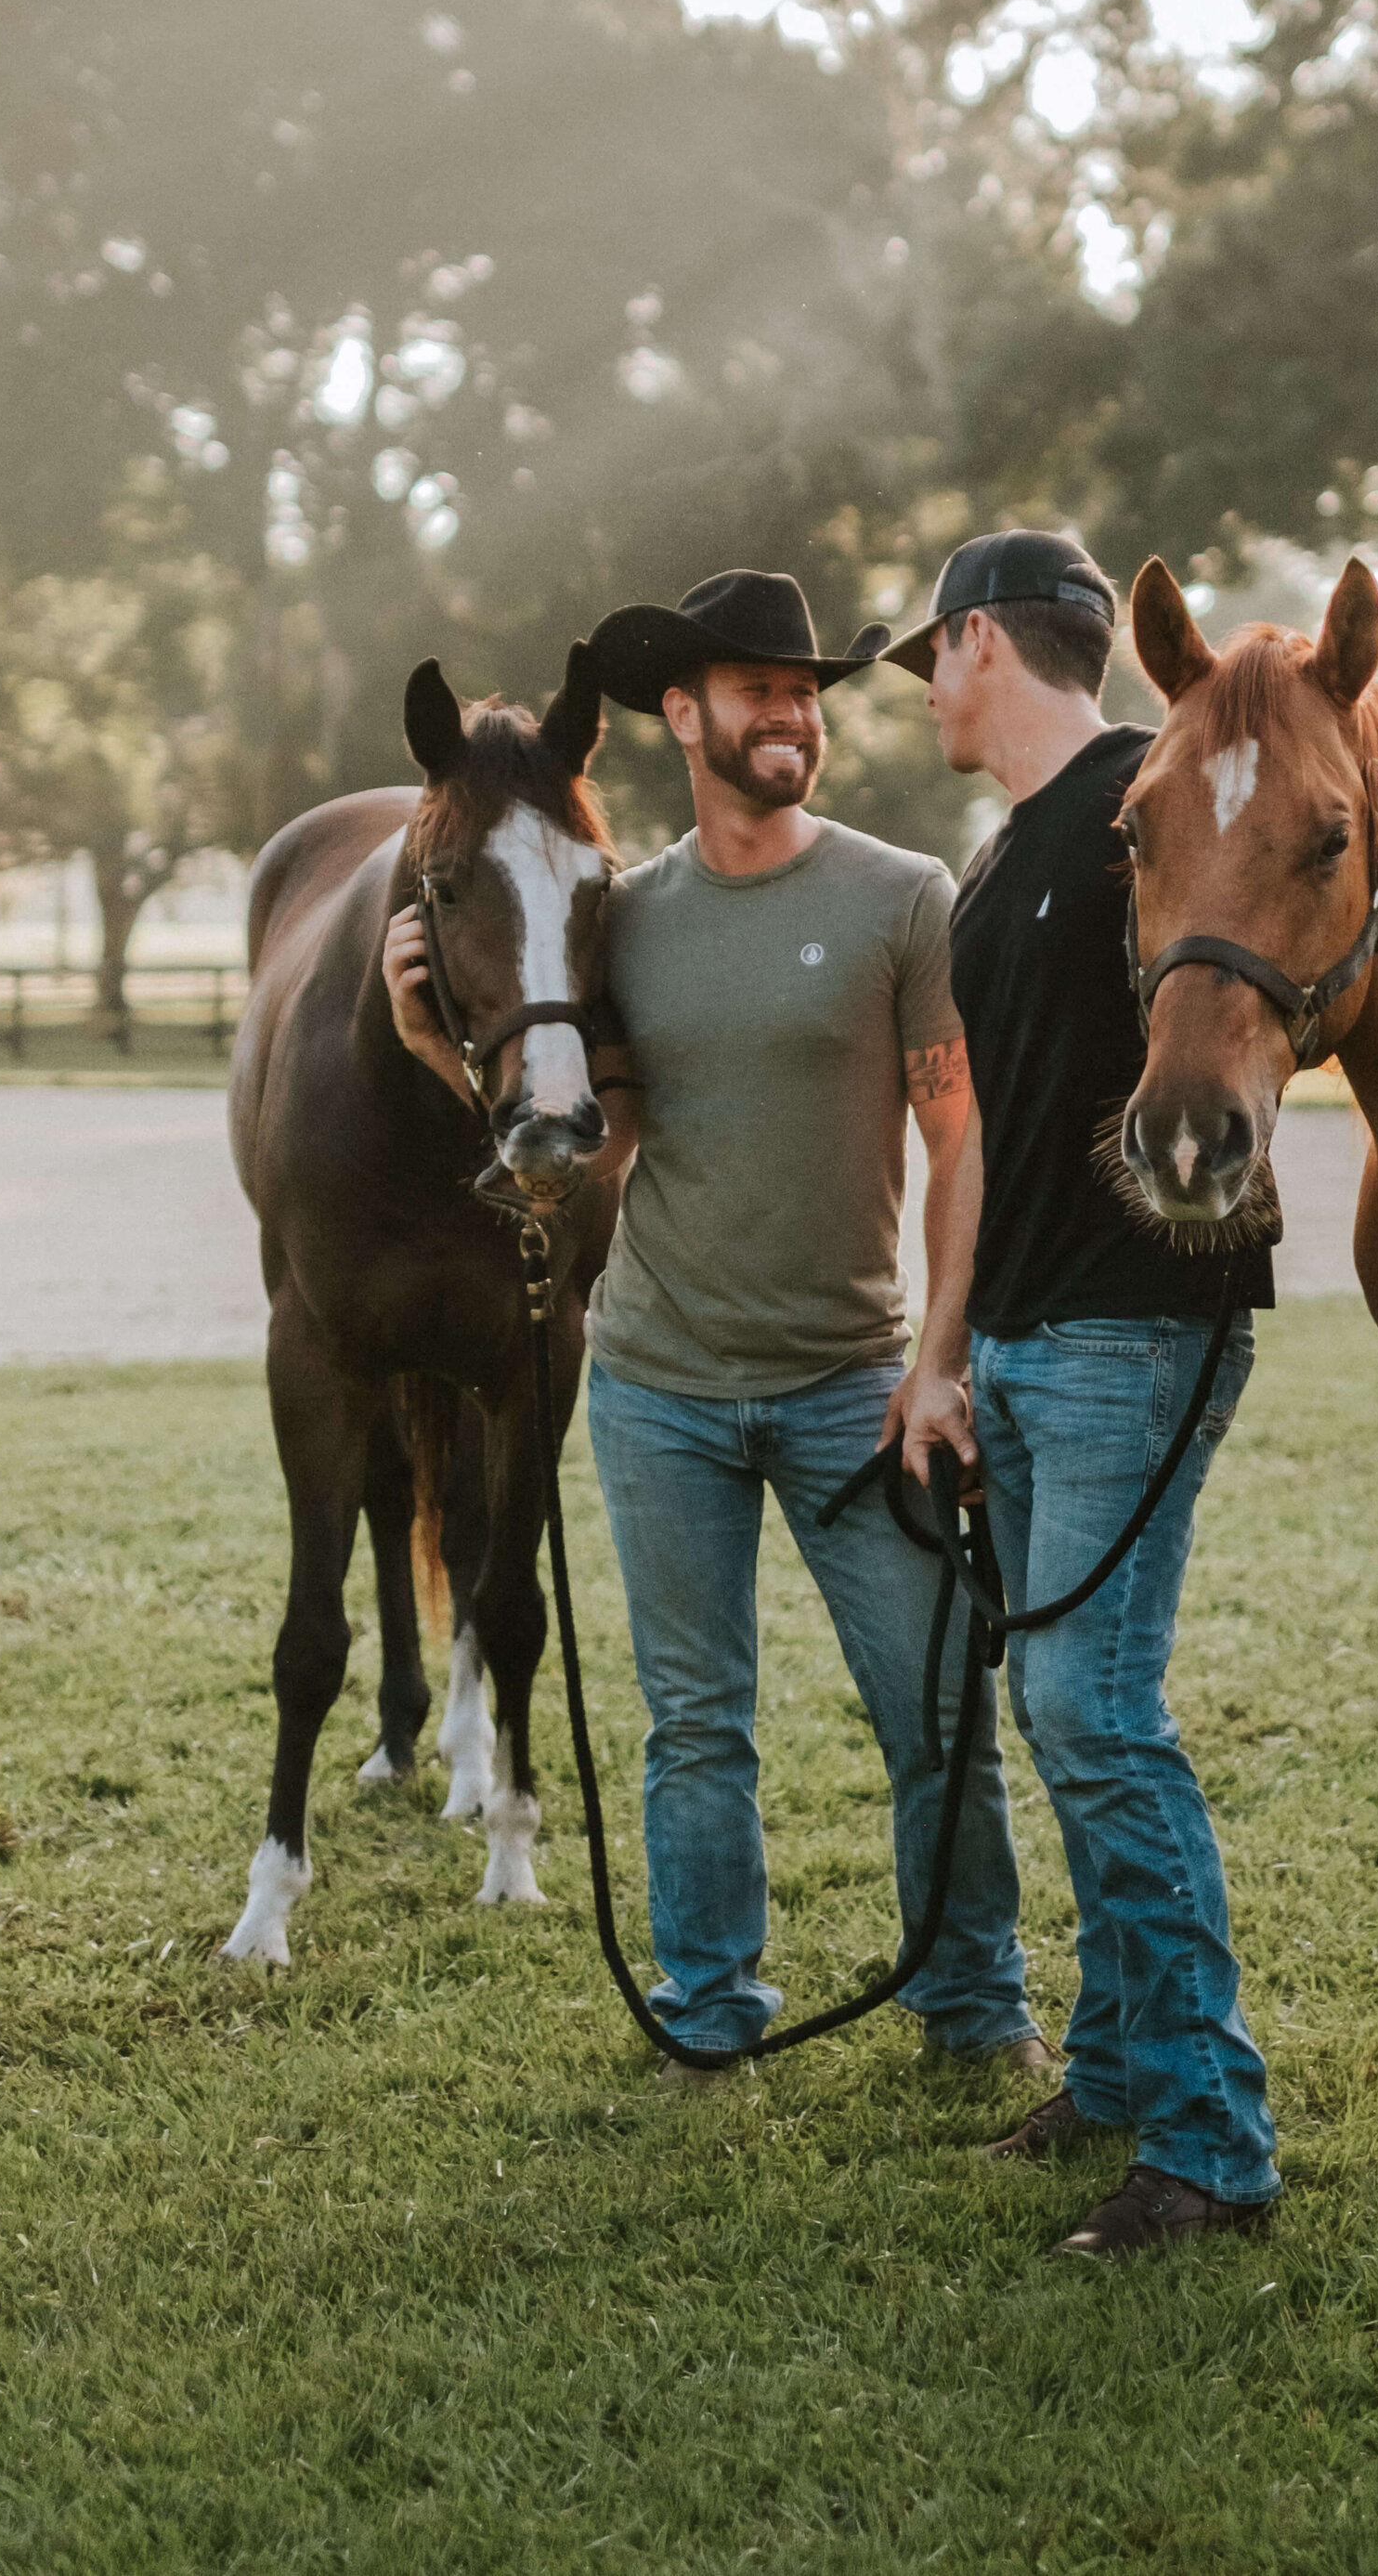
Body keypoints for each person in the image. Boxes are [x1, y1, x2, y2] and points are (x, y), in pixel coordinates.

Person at [386, 566, 1045, 2082]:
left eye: (807, 692)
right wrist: (436, 1049)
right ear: (681, 714)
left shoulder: (899, 898)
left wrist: (936, 1361)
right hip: (662, 1388)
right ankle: (709, 2008)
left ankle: (977, 2003)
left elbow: (965, 1139)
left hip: (851, 1385)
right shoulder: (625, 917)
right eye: (758, 690)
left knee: (935, 1706)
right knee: (697, 1728)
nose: (791, 716)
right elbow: (585, 1148)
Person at [883, 529, 1281, 2257]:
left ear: (983, 642)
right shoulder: (991, 866)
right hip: (1030, 1337)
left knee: (1098, 1716)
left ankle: (1212, 2142)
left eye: (935, 657)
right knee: (1067, 1714)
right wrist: (949, 1348)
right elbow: (974, 1136)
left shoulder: (1164, 803)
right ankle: (1118, 2071)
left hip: (1141, 1321)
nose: (930, 691)